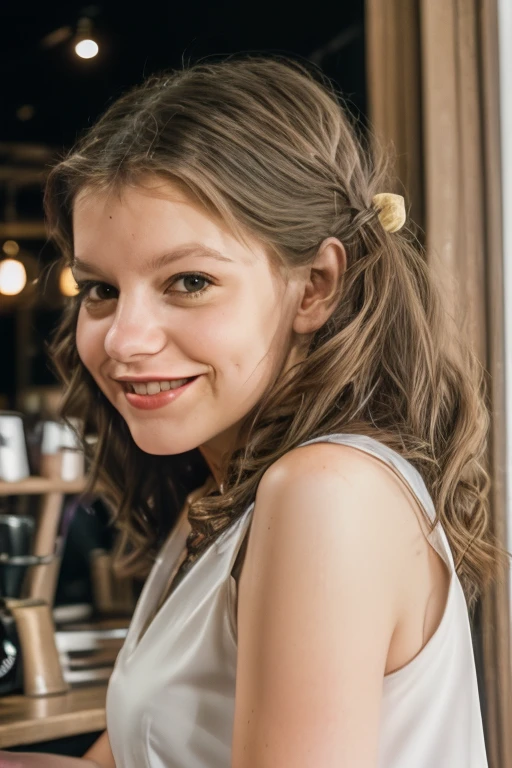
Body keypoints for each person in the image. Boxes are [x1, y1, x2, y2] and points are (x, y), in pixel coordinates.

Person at [0, 54, 499, 768]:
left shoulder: (324, 493)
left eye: (189, 281)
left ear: (316, 287)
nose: (123, 339)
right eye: (101, 289)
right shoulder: (222, 502)